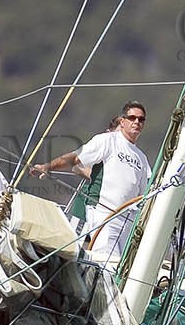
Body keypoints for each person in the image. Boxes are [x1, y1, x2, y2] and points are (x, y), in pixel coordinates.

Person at [29, 100, 151, 266]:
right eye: (132, 118)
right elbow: (76, 158)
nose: (136, 122)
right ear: (122, 121)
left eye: (141, 119)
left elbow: (143, 195)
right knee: (106, 265)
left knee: (123, 267)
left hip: (128, 222)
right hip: (104, 214)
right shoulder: (108, 141)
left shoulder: (142, 158)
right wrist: (47, 166)